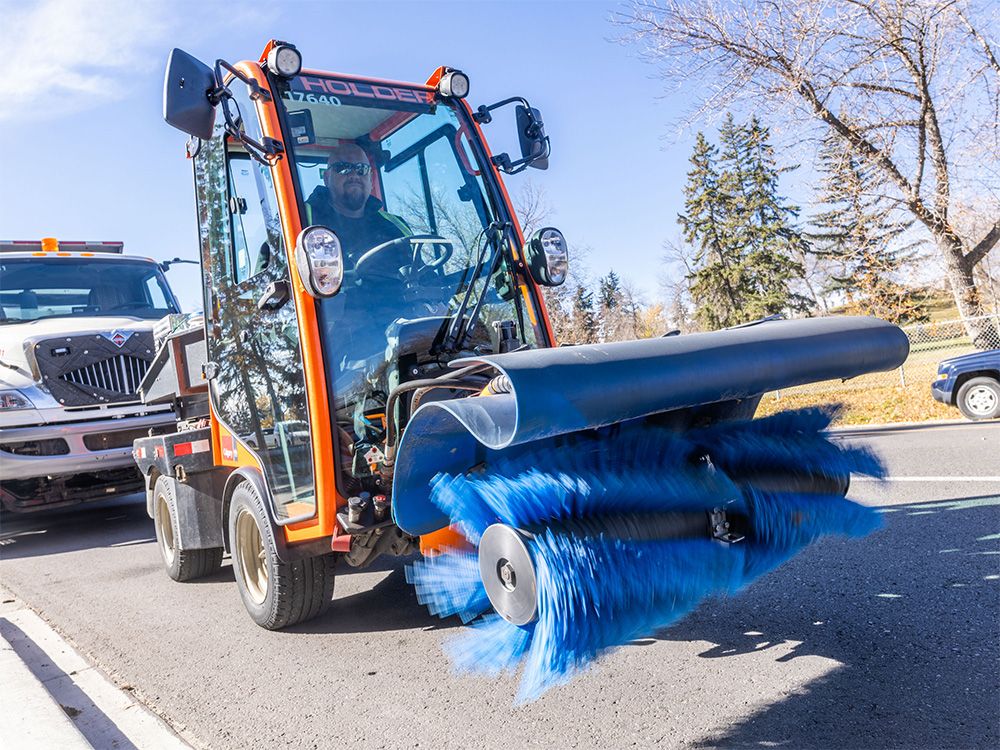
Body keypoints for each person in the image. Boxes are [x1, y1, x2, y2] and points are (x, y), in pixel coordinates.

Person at [304, 142, 410, 268]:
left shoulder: (395, 225)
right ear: (327, 178)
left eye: (361, 169)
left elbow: (422, 274)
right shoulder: (302, 219)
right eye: (343, 168)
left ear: (371, 179)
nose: (354, 175)